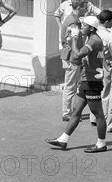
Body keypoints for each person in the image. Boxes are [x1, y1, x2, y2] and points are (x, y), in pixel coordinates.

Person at [46, 16, 108, 153]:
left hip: (92, 82)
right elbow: (79, 58)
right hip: (86, 80)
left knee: (98, 114)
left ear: (91, 28)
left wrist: (73, 39)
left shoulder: (94, 40)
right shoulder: (90, 39)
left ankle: (101, 143)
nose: (81, 28)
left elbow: (78, 54)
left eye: (83, 26)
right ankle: (63, 140)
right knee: (76, 111)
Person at [55, 0, 101, 122]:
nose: (85, 12)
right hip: (72, 57)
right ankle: (67, 113)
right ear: (78, 9)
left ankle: (71, 111)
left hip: (73, 56)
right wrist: (79, 54)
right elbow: (71, 42)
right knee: (70, 85)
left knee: (74, 84)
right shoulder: (73, 23)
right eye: (83, 10)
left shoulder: (72, 19)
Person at [88, 9, 112, 128]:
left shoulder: (94, 33)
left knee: (94, 92)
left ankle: (93, 116)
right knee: (105, 92)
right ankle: (101, 116)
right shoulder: (107, 35)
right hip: (104, 65)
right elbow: (107, 53)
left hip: (93, 65)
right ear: (106, 22)